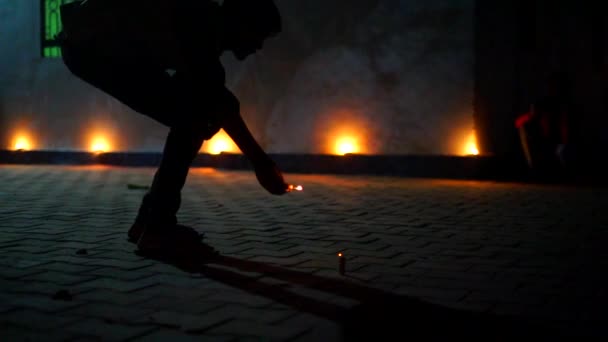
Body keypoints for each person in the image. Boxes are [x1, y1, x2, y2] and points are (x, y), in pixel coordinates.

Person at [58, 0, 288, 252]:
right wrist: (261, 164)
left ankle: (149, 222)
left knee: (196, 114)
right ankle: (156, 227)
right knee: (193, 118)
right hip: (91, 50)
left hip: (97, 48)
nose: (258, 46)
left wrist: (258, 161)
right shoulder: (201, 27)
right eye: (259, 36)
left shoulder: (204, 30)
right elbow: (219, 102)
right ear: (243, 23)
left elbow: (217, 99)